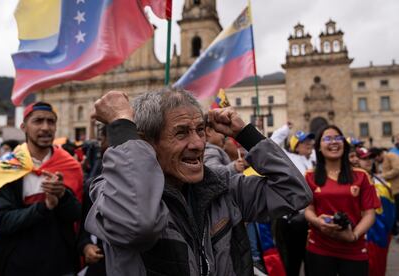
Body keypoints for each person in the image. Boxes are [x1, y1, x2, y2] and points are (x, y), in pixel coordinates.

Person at [85, 89, 312, 275]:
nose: (198, 144)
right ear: (146, 143)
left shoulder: (222, 188)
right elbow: (138, 225)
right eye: (181, 133)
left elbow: (293, 193)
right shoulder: (112, 194)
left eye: (200, 130)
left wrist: (245, 133)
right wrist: (123, 129)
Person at [0, 102, 83, 276]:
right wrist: (45, 206)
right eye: (38, 121)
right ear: (23, 127)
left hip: (60, 264)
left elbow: (77, 215)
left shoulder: (70, 166)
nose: (45, 127)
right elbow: (3, 221)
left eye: (51, 122)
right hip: (16, 264)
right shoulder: (5, 167)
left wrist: (62, 195)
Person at [304, 125, 380, 276]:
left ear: (344, 145)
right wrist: (317, 221)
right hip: (319, 248)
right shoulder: (309, 176)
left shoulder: (361, 176)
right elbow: (308, 209)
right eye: (327, 138)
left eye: (338, 138)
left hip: (354, 249)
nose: (333, 142)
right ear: (319, 147)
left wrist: (354, 235)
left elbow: (369, 213)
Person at [270, 123, 315, 276]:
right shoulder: (287, 158)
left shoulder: (313, 159)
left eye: (310, 141)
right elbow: (271, 145)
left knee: (311, 262)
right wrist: (285, 129)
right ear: (296, 146)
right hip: (291, 221)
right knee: (291, 263)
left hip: (311, 220)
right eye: (304, 142)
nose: (309, 143)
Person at [356, 147, 395, 276]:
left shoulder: (379, 180)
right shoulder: (354, 182)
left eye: (370, 158)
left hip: (383, 234)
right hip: (368, 235)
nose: (368, 161)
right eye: (364, 158)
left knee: (380, 268)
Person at [78, 126, 108, 276]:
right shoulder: (93, 185)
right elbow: (83, 227)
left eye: (101, 140)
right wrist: (86, 246)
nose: (100, 145)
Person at [371, 147, 399, 235]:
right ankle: (394, 231)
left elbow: (397, 169)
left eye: (376, 158)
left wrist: (382, 176)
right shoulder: (377, 161)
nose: (375, 160)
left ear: (379, 154)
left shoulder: (391, 156)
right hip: (385, 191)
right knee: (391, 212)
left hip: (396, 189)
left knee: (397, 211)